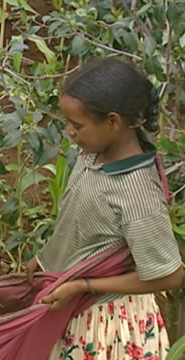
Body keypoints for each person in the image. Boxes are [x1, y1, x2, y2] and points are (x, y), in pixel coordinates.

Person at [24, 58, 184, 359]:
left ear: (113, 122)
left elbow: (169, 276)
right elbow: (84, 226)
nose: (69, 132)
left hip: (107, 325)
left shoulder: (136, 194)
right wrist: (45, 258)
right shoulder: (92, 154)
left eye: (77, 125)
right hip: (74, 303)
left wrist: (83, 286)